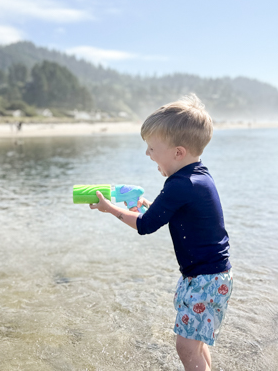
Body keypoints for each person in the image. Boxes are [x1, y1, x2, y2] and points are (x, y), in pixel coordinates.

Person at [89, 94, 232, 371]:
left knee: (186, 347)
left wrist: (110, 209)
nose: (147, 154)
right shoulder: (198, 176)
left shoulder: (179, 184)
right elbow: (183, 214)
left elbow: (146, 226)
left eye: (152, 148)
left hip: (204, 279)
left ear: (178, 153)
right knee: (196, 343)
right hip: (213, 276)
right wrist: (151, 207)